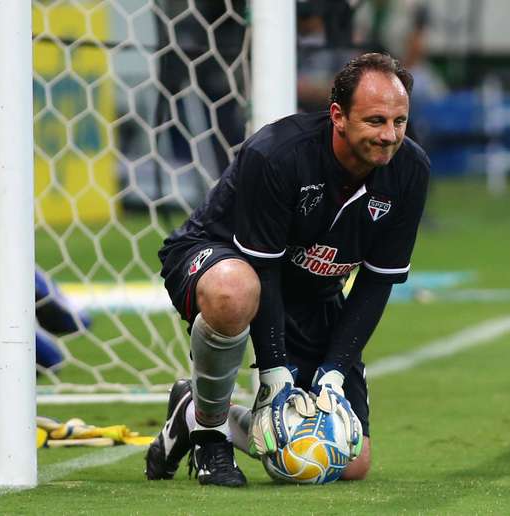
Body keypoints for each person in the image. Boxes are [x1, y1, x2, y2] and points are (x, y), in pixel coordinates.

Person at [145, 53, 430, 486]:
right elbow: (263, 269)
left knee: (348, 463)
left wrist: (333, 373)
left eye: (399, 121)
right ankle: (208, 433)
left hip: (310, 293)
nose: (389, 135)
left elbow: (376, 282)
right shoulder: (276, 154)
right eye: (375, 121)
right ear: (338, 115)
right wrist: (275, 372)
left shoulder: (410, 171)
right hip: (217, 257)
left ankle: (189, 411)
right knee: (233, 291)